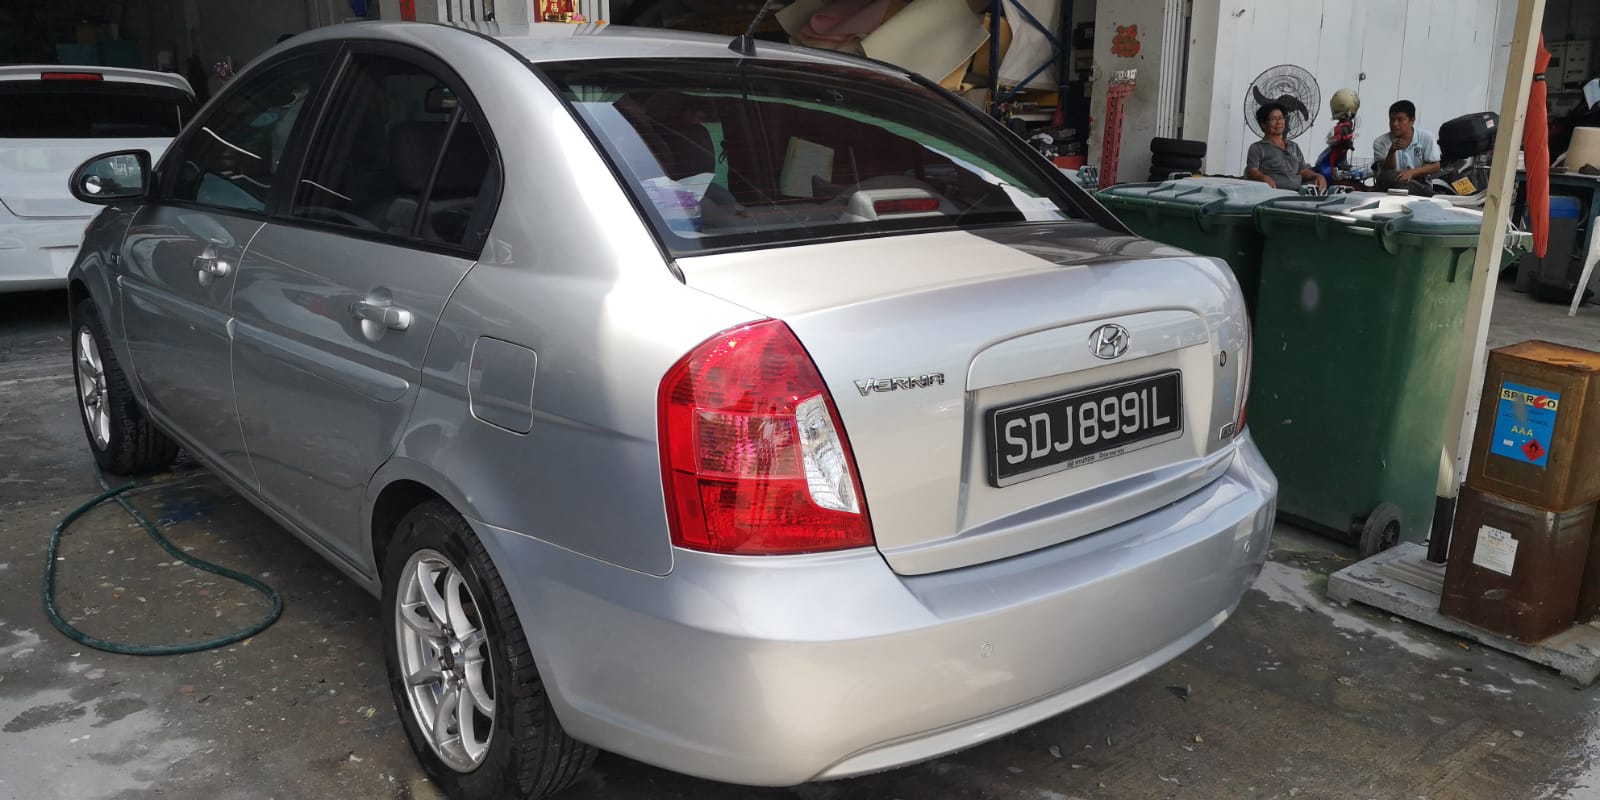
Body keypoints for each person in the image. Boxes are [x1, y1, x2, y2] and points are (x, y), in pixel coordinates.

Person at [1246, 102, 1327, 192]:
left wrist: (1317, 176)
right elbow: (1252, 171)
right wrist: (1263, 178)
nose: (1279, 122)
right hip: (1272, 193)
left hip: (1298, 193)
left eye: (1281, 118)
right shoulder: (1257, 148)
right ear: (1263, 124)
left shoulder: (1294, 146)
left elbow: (1302, 170)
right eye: (1273, 119)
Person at [1372, 100, 1441, 193]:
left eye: (1400, 120)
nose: (1395, 124)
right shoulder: (1380, 142)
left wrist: (1412, 173)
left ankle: (1431, 195)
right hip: (1392, 183)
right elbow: (1386, 171)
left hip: (1419, 184)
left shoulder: (1426, 137)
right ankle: (1433, 196)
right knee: (1387, 176)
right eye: (1392, 120)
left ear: (1412, 121)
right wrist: (1392, 151)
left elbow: (1436, 165)